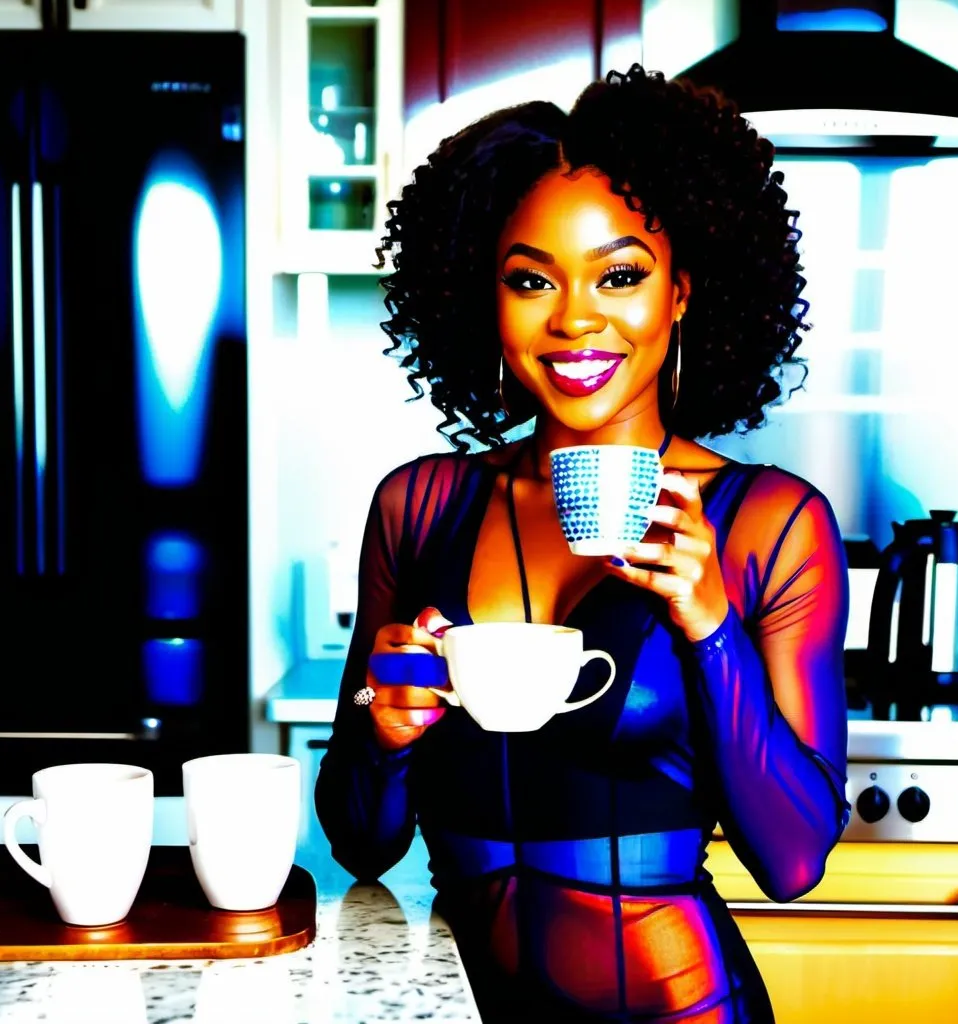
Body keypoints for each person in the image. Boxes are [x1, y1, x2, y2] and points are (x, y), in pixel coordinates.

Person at [316, 65, 850, 1023]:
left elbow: (795, 861)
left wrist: (710, 623)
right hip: (456, 1009)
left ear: (682, 291)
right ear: (485, 295)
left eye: (620, 274)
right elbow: (360, 841)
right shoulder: (419, 504)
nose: (573, 316)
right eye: (530, 279)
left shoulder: (769, 524)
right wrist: (385, 736)